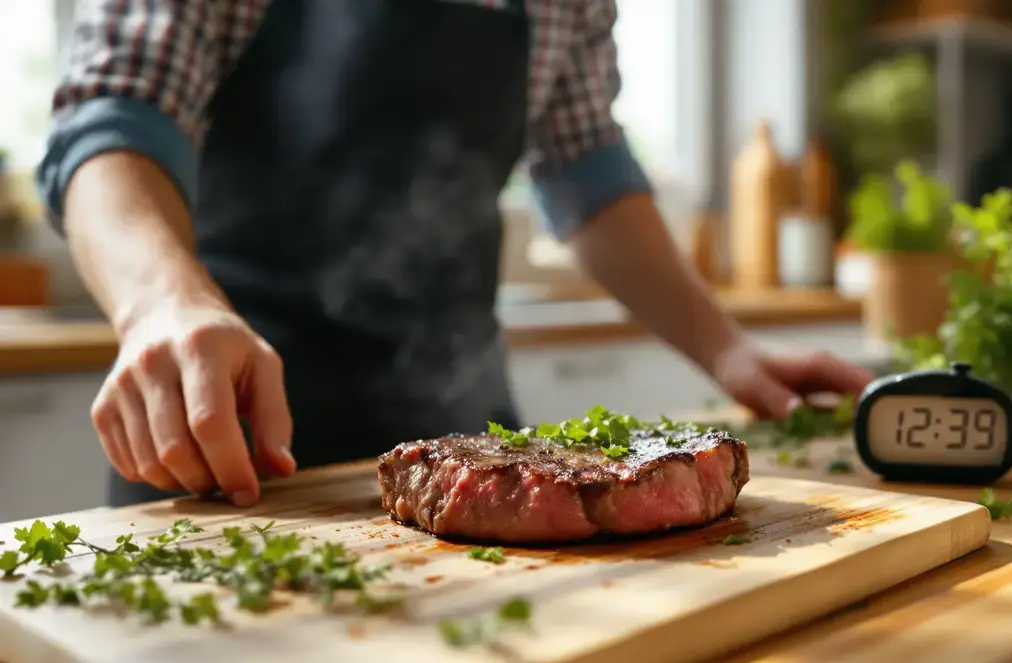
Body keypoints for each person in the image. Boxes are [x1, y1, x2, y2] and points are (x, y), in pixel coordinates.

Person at [38, 0, 875, 510]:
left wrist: (727, 347)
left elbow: (585, 164)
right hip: (222, 428)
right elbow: (117, 111)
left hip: (470, 436)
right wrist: (163, 305)